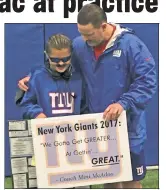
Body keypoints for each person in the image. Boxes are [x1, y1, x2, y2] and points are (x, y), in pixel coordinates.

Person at [17, 4, 157, 189]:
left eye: (89, 34)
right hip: (98, 128)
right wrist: (31, 78)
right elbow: (59, 67)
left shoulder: (132, 45)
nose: (84, 39)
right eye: (81, 33)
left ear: (104, 26)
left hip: (128, 126)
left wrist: (124, 103)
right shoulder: (80, 45)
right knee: (110, 177)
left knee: (131, 179)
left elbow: (147, 82)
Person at [16, 33, 89, 189]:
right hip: (46, 144)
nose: (61, 63)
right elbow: (25, 103)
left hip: (75, 142)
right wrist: (36, 113)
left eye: (66, 59)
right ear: (46, 56)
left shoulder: (81, 77)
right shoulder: (37, 77)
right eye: (55, 60)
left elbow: (86, 105)